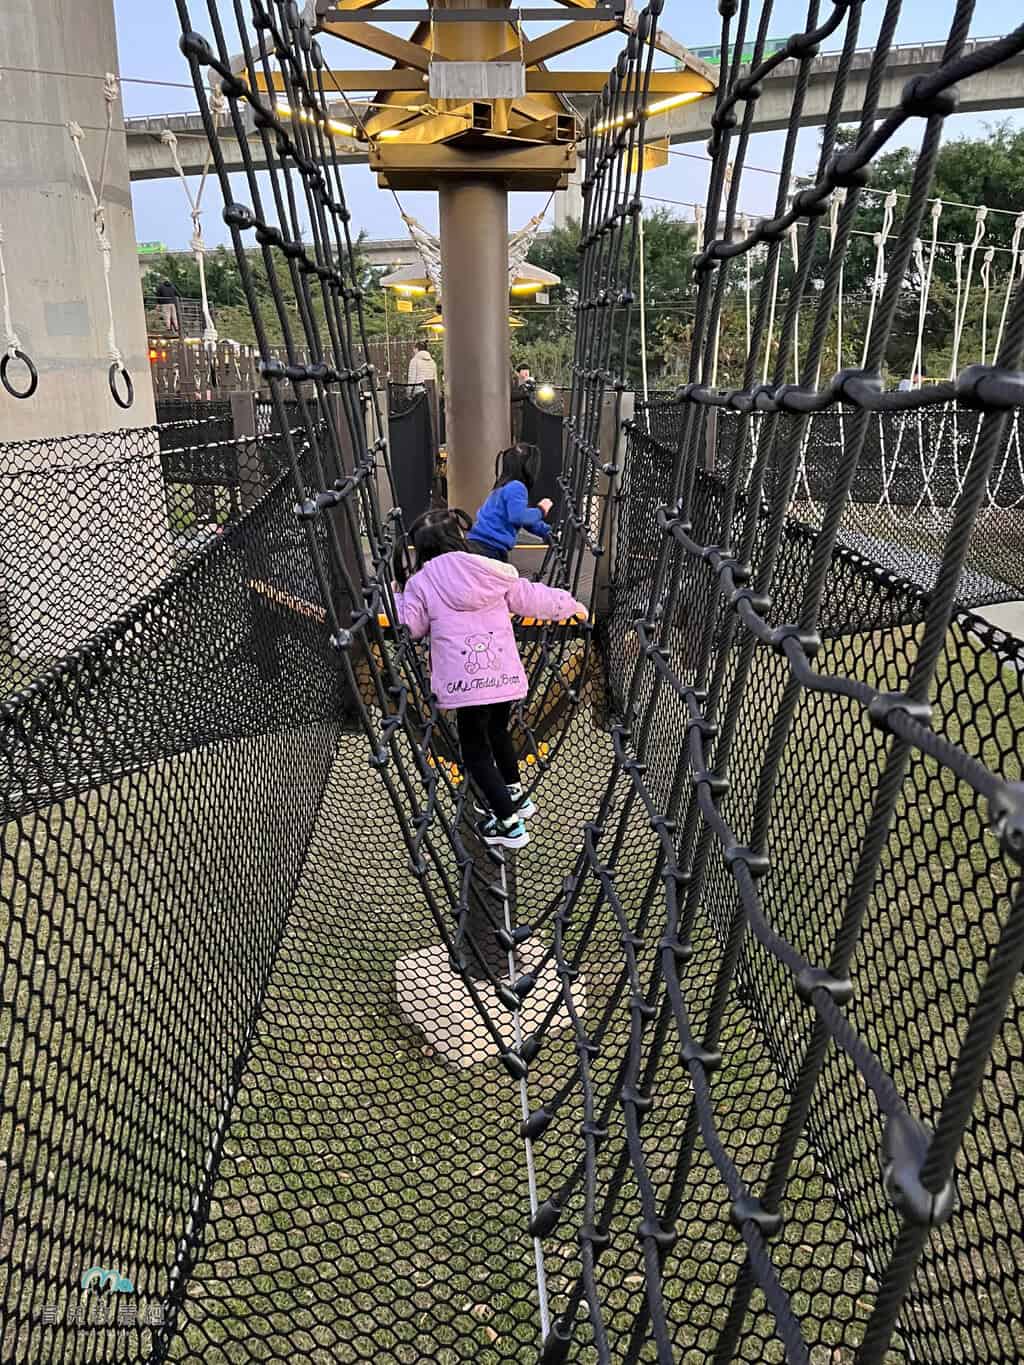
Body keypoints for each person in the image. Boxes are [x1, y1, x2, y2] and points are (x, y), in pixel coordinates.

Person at [393, 508, 586, 849]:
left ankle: (509, 824)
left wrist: (397, 595)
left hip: (465, 687)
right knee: (498, 731)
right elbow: (531, 598)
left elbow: (413, 625)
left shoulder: (421, 583)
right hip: (504, 677)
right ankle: (514, 794)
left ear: (421, 550)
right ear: (459, 538)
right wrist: (569, 605)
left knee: (476, 753)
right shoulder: (490, 571)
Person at [467, 443, 553, 562]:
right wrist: (541, 510)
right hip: (489, 548)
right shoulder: (517, 487)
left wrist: (547, 531)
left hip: (476, 545)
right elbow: (518, 517)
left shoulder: (502, 487)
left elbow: (526, 520)